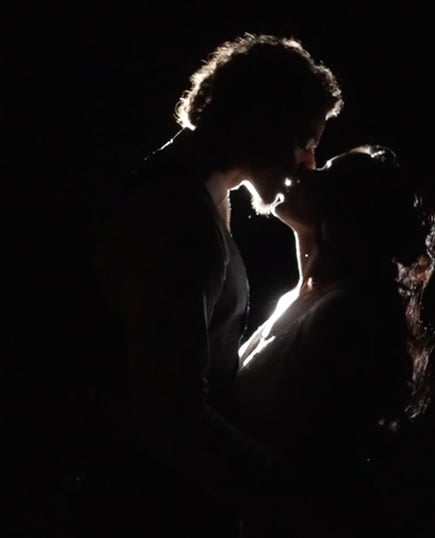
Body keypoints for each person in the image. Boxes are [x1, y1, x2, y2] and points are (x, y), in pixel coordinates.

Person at [74, 32, 344, 538]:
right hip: (152, 506)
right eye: (305, 140)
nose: (309, 162)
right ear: (264, 118)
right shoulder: (179, 214)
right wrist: (286, 492)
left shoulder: (200, 193)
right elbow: (169, 413)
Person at [233, 144, 435, 537]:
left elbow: (313, 463)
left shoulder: (346, 316)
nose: (307, 170)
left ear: (347, 210)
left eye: (324, 173)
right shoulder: (299, 298)